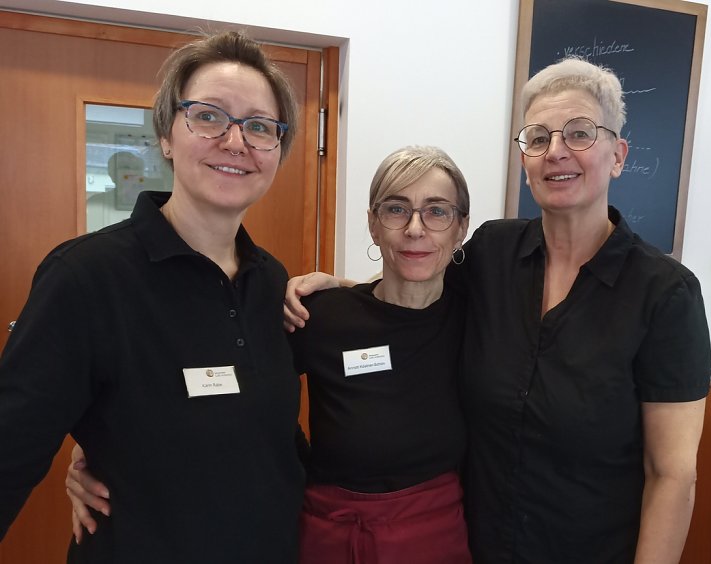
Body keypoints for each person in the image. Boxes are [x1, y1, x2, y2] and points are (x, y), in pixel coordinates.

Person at [283, 57, 711, 563]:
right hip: (474, 545)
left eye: (578, 134)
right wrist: (338, 289)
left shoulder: (664, 294)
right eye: (537, 138)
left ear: (617, 155)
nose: (555, 152)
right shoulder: (494, 252)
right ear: (525, 160)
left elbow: (673, 474)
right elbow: (415, 286)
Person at [67, 146, 474, 563]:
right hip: (326, 536)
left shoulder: (478, 314)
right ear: (373, 224)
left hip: (434, 539)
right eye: (396, 209)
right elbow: (224, 388)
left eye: (437, 211)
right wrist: (99, 446)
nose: (415, 229)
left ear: (460, 228)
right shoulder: (320, 316)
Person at [0, 31, 305, 563]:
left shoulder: (271, 282)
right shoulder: (85, 277)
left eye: (259, 126)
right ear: (166, 134)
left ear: (278, 150)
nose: (236, 142)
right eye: (208, 116)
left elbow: (263, 444)